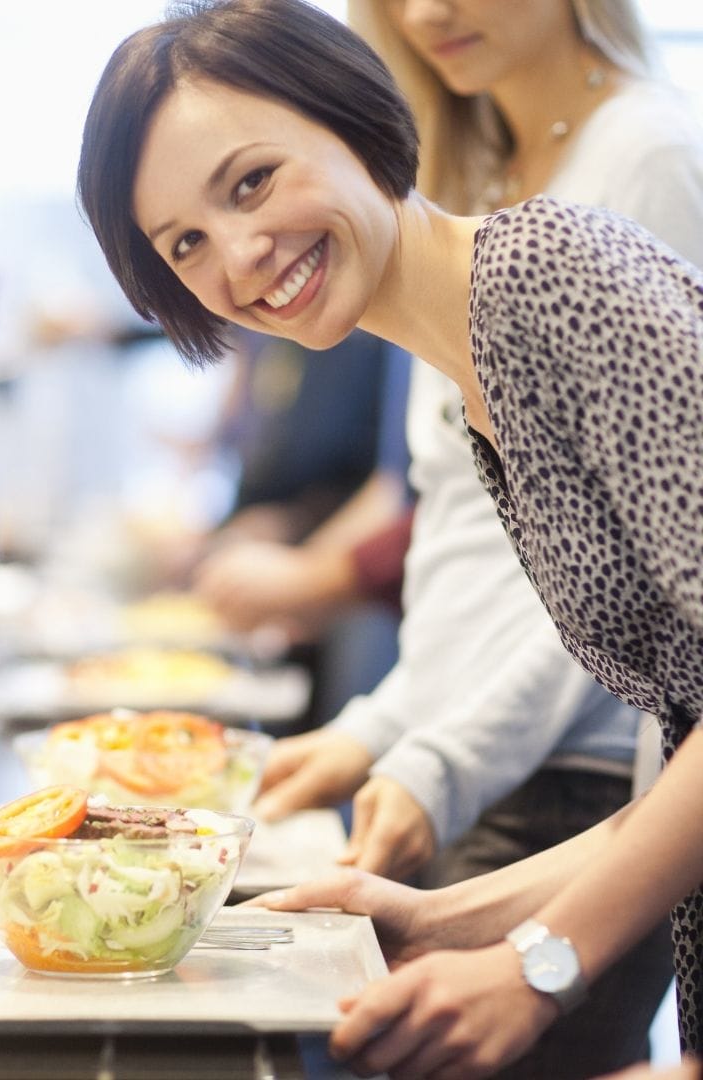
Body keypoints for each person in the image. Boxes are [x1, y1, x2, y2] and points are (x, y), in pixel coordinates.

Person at [75, 2, 703, 1077]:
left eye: (251, 181)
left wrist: (539, 965)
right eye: (186, 242)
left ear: (355, 113)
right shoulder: (478, 363)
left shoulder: (544, 271)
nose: (239, 253)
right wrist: (441, 919)